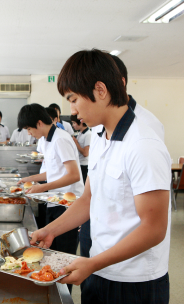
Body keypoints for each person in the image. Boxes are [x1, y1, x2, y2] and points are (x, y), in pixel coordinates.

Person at [31, 49, 171, 304]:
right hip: (98, 268)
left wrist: (93, 263)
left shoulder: (143, 143)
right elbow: (88, 198)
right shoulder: (99, 137)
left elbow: (154, 229)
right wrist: (50, 230)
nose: (72, 110)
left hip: (134, 282)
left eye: (73, 99)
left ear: (100, 90)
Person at [16, 103, 84, 293]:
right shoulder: (45, 140)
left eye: (29, 129)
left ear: (39, 123)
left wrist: (42, 188)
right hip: (53, 201)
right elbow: (51, 172)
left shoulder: (61, 139)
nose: (29, 133)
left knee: (64, 254)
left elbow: (73, 175)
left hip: (68, 204)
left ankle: (64, 295)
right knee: (52, 251)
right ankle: (53, 288)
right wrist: (30, 180)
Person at [70, 115, 91, 183]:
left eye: (74, 123)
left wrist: (76, 143)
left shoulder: (88, 134)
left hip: (84, 165)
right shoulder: (80, 133)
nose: (73, 125)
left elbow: (85, 153)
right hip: (79, 163)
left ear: (81, 122)